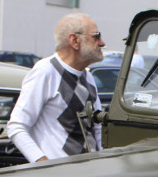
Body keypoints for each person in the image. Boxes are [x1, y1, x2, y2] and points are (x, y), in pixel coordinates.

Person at [7, 12, 106, 162]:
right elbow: (17, 127)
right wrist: (44, 164)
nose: (102, 43)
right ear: (74, 40)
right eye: (96, 36)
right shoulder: (45, 71)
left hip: (89, 176)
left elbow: (97, 129)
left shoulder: (88, 77)